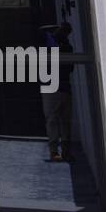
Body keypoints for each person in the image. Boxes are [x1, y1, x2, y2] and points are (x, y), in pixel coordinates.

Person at [42, 21, 73, 161]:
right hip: (53, 86)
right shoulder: (49, 43)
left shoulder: (66, 47)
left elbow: (70, 67)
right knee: (54, 120)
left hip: (61, 86)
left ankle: (63, 151)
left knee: (63, 121)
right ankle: (54, 151)